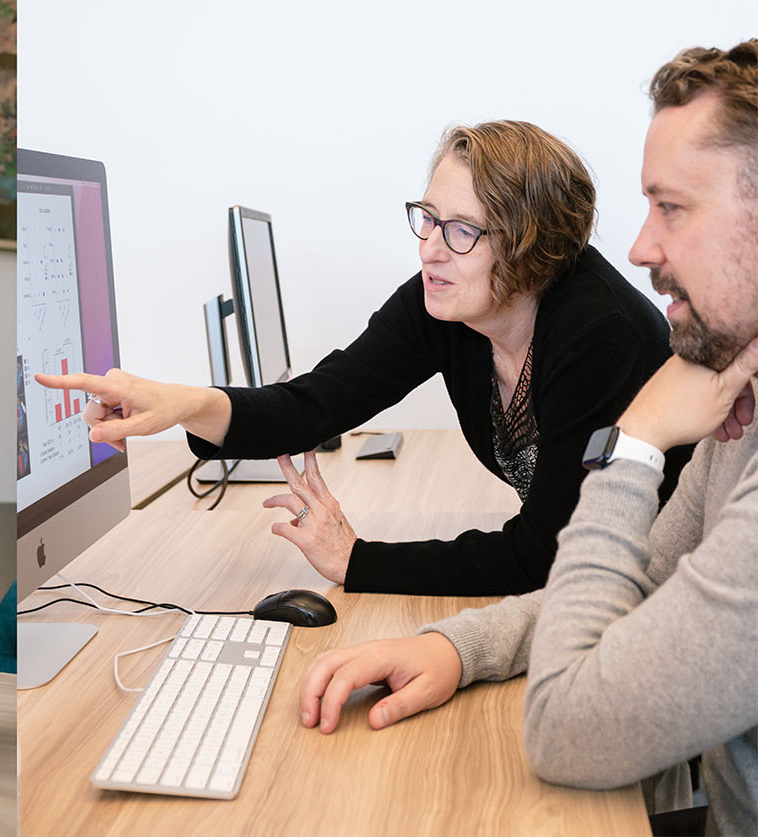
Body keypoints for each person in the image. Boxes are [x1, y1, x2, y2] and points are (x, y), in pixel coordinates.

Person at [298, 41, 758, 836]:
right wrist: (457, 647)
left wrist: (638, 437)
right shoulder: (735, 404)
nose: (641, 247)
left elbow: (563, 728)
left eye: (672, 208)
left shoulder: (668, 382)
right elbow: (643, 582)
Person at [37, 121, 690, 596]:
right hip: (593, 585)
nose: (429, 248)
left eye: (460, 230)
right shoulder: (446, 304)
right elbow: (316, 404)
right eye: (427, 218)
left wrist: (358, 561)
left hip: (660, 590)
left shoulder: (595, 332)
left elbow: (544, 556)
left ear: (530, 246)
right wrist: (178, 402)